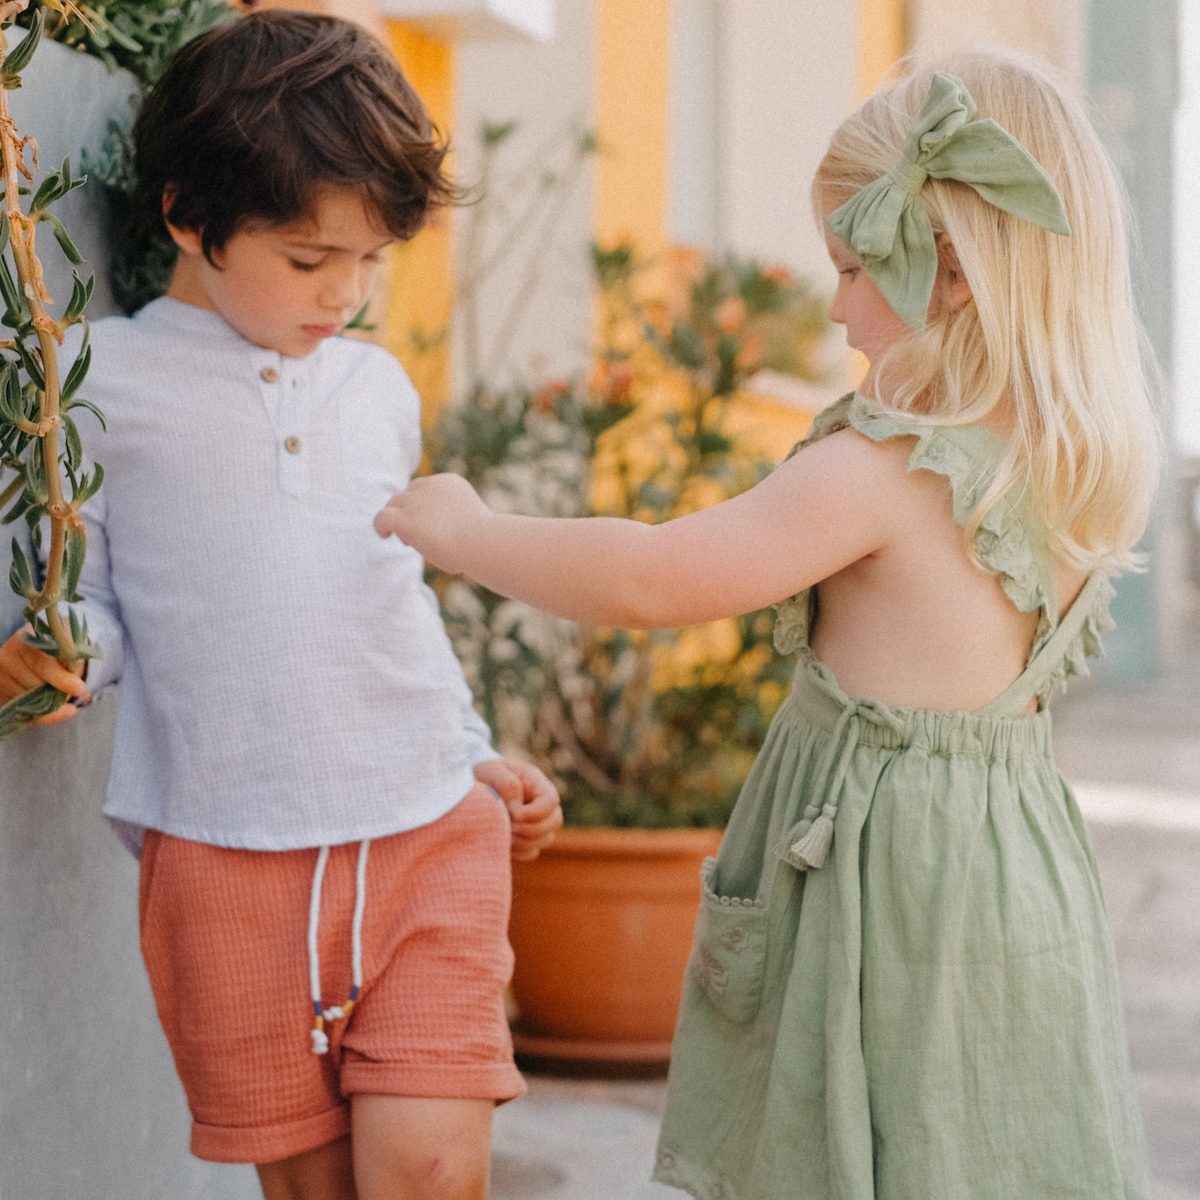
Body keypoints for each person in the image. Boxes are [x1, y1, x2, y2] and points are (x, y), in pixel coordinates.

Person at [374, 49, 1158, 1200]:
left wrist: (469, 531)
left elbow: (653, 578)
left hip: (889, 893)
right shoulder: (1052, 462)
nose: (834, 304)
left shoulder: (889, 471)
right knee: (979, 1146)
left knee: (855, 1153)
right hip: (1007, 879)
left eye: (852, 267)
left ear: (946, 273)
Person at [0, 11, 562, 1200]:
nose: (347, 295)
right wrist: (54, 653)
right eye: (312, 262)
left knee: (427, 1176)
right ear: (189, 219)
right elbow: (98, 603)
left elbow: (384, 594)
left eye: (371, 261)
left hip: (424, 827)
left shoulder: (377, 389)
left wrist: (468, 751)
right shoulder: (104, 390)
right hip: (225, 853)